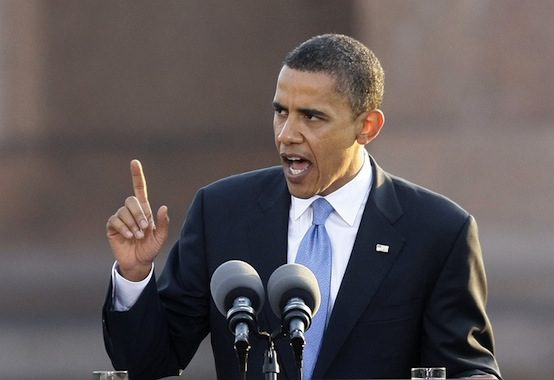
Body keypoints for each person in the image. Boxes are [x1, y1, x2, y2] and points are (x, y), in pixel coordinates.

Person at [103, 34, 502, 380]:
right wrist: (135, 275)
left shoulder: (437, 232)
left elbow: (469, 368)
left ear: (367, 127)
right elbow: (148, 364)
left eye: (312, 116)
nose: (287, 134)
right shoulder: (221, 212)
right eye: (281, 112)